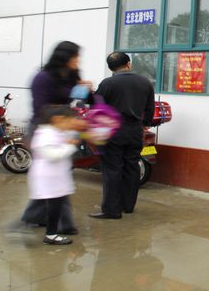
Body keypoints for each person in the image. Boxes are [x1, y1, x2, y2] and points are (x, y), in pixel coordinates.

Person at [20, 41, 92, 234]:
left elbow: (82, 100)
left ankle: (34, 216)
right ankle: (63, 224)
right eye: (75, 57)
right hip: (43, 130)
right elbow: (41, 109)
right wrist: (67, 121)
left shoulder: (72, 76)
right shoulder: (42, 78)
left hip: (63, 128)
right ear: (64, 57)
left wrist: (87, 91)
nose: (78, 61)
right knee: (55, 175)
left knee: (57, 174)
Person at [90, 52, 155, 219]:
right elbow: (150, 109)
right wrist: (144, 124)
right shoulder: (145, 82)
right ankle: (128, 206)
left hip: (113, 132)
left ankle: (112, 210)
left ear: (110, 67)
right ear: (128, 63)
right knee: (132, 167)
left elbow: (96, 108)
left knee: (112, 169)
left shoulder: (107, 83)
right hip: (135, 131)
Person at [28, 105, 84, 245]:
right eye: (69, 121)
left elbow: (73, 135)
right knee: (53, 206)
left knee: (55, 205)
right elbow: (52, 155)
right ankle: (50, 235)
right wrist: (70, 145)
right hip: (48, 177)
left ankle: (50, 232)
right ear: (57, 119)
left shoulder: (57, 131)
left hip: (55, 177)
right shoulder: (45, 134)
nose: (71, 124)